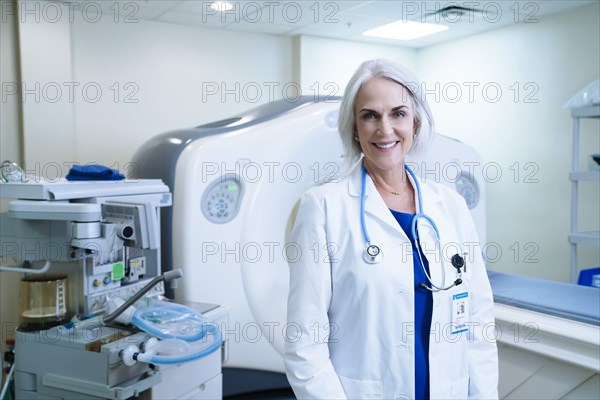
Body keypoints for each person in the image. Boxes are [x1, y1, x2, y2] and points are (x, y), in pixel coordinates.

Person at [284, 59, 498, 400]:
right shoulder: (323, 207)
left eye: (398, 113)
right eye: (370, 115)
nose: (385, 129)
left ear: (415, 121)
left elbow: (478, 321)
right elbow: (304, 342)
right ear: (354, 127)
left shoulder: (451, 206)